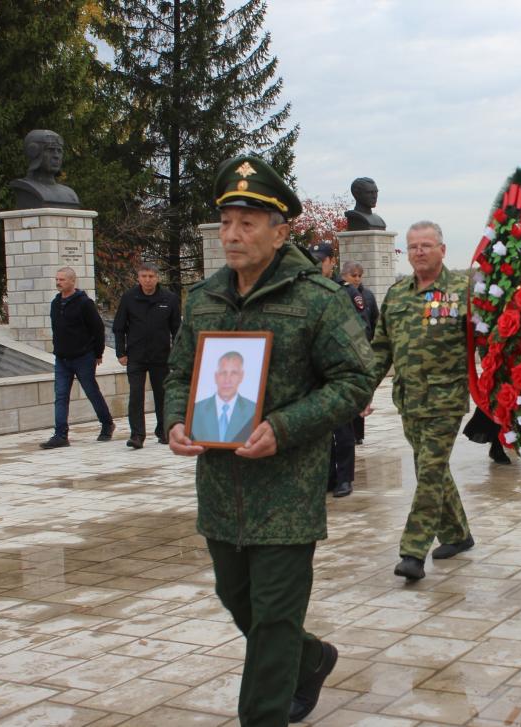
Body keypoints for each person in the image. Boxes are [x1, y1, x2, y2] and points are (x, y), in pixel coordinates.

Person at [163, 154, 374, 725]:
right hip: (221, 489)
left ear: (280, 233)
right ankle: (311, 658)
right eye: (226, 221)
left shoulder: (317, 299)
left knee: (274, 618)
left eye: (247, 223)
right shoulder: (204, 298)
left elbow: (356, 379)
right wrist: (175, 420)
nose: (231, 235)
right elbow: (180, 374)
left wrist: (284, 427)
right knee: (238, 601)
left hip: (287, 492)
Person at [371, 220, 474, 581]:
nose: (419, 252)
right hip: (408, 399)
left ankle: (412, 553)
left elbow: (489, 343)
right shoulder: (397, 294)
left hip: (446, 399)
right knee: (432, 468)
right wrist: (361, 391)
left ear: (442, 250)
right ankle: (458, 534)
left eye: (426, 246)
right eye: (413, 246)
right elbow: (380, 349)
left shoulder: (463, 292)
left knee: (428, 470)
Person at [40, 267, 115, 449]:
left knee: (91, 391)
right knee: (61, 395)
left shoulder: (84, 303)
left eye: (62, 279)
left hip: (83, 357)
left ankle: (107, 424)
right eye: (57, 279)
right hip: (62, 359)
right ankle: (60, 435)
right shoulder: (55, 303)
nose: (58, 283)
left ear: (72, 281)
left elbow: (97, 328)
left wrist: (98, 353)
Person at [311, 242, 362, 498]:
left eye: (321, 260)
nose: (317, 264)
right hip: (315, 371)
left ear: (331, 262)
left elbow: (357, 331)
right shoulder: (307, 292)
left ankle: (344, 478)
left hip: (338, 370)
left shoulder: (345, 293)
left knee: (342, 430)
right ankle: (328, 477)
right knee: (320, 431)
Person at [113, 262, 181, 448]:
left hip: (161, 356)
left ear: (157, 278)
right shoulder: (129, 298)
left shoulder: (169, 299)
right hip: (136, 356)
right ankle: (137, 435)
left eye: (151, 276)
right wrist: (121, 352)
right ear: (138, 278)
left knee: (162, 394)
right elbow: (119, 327)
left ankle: (164, 431)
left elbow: (177, 329)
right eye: (144, 276)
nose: (148, 280)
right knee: (136, 395)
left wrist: (177, 354)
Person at [342, 260, 379, 446]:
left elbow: (374, 320)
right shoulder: (340, 292)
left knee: (361, 387)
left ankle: (358, 433)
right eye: (353, 275)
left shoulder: (368, 295)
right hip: (348, 346)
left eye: (359, 276)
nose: (357, 279)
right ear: (344, 275)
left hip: (364, 345)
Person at [190, 351, 257, 444]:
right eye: (223, 373)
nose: (227, 380)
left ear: (241, 377)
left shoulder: (253, 410)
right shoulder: (197, 410)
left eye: (234, 373)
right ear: (216, 376)